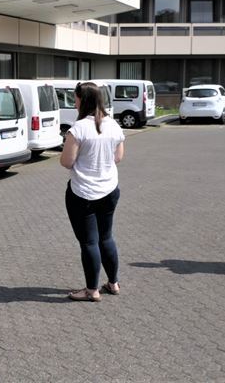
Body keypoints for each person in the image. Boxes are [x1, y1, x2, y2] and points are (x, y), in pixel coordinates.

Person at [60, 82, 125, 302]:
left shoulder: (78, 129)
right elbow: (118, 157)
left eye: (75, 98)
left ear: (82, 100)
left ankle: (91, 290)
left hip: (83, 193)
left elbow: (66, 162)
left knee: (89, 242)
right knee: (106, 237)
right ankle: (113, 283)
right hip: (109, 189)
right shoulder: (113, 125)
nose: (74, 101)